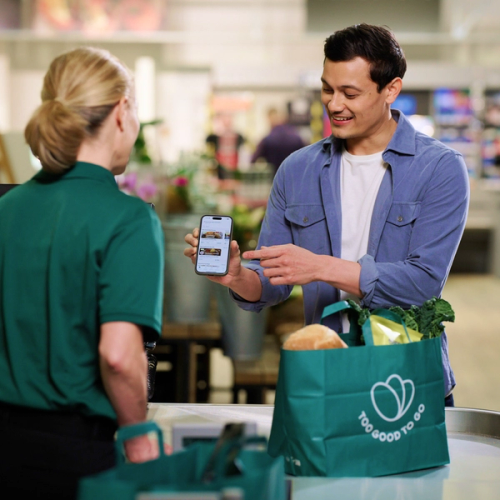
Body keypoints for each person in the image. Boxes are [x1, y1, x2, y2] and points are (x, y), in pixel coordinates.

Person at [185, 24, 470, 407]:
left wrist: (319, 267)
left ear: (391, 89)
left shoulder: (439, 169)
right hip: (325, 379)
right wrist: (237, 277)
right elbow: (271, 283)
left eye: (350, 93)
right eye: (327, 89)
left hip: (407, 380)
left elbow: (421, 286)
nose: (334, 104)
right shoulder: (297, 169)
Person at [0, 47, 164, 499]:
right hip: (76, 456)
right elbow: (118, 355)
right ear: (122, 112)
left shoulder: (6, 209)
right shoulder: (127, 219)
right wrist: (138, 436)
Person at [251, 107, 306, 175]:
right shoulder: (297, 137)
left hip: (275, 178)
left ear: (269, 119)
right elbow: (307, 157)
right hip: (294, 178)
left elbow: (253, 159)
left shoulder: (267, 140)